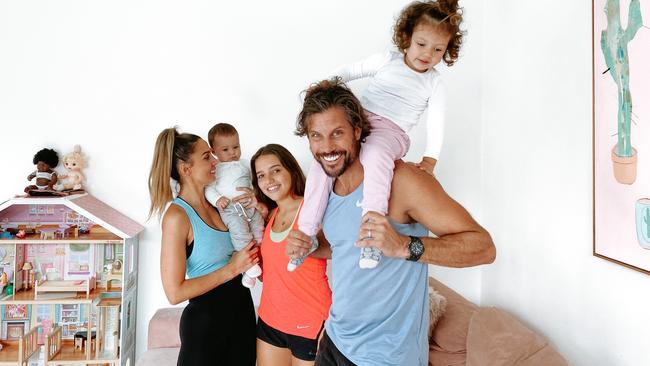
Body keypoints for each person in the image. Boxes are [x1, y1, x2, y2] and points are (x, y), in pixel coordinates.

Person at [288, 79, 495, 366]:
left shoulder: (403, 181)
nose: (327, 147)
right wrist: (309, 245)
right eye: (316, 136)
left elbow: (483, 247)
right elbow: (344, 246)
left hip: (386, 357)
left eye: (337, 133)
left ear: (357, 131)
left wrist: (403, 246)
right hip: (336, 341)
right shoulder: (327, 188)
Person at [298, 0, 465, 270]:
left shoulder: (434, 83)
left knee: (375, 155)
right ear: (407, 37)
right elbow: (351, 71)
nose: (427, 54)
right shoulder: (388, 60)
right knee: (322, 164)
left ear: (446, 52)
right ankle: (306, 233)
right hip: (361, 122)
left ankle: (372, 232)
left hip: (391, 132)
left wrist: (430, 159)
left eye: (438, 50)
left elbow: (436, 123)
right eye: (422, 44)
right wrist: (325, 84)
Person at [148, 127, 259, 366]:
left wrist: (257, 206)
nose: (216, 161)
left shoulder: (221, 205)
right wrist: (232, 269)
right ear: (186, 170)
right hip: (206, 326)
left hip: (242, 314)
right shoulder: (177, 216)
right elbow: (174, 292)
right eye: (207, 157)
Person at [251, 144, 332, 366]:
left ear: (291, 170)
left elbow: (342, 250)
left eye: (275, 170)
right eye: (261, 175)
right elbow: (270, 274)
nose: (269, 179)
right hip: (270, 321)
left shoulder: (313, 210)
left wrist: (333, 324)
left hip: (310, 323)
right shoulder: (268, 217)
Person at [205, 123, 265, 288]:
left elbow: (256, 181)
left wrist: (256, 195)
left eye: (236, 147)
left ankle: (261, 256)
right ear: (213, 151)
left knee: (259, 229)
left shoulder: (245, 164)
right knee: (240, 234)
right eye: (225, 150)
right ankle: (250, 266)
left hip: (249, 204)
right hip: (230, 208)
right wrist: (217, 200)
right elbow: (209, 188)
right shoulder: (215, 169)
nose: (232, 153)